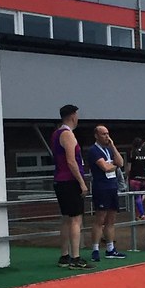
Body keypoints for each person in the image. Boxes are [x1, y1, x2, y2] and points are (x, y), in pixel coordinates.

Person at [51, 103, 91, 269]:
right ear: (73, 115)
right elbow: (71, 161)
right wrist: (82, 183)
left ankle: (65, 255)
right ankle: (75, 257)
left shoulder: (56, 133)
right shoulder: (67, 134)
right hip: (69, 181)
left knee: (67, 219)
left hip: (60, 180)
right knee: (75, 219)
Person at [87, 125, 126, 261]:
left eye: (108, 133)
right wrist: (113, 166)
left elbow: (120, 162)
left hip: (112, 187)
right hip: (101, 187)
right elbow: (105, 167)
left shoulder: (109, 149)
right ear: (96, 135)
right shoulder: (93, 150)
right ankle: (95, 249)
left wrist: (113, 146)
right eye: (103, 134)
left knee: (111, 219)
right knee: (100, 219)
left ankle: (110, 248)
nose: (106, 136)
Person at [128, 137, 145, 218]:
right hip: (143, 178)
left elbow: (129, 168)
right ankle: (138, 215)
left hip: (134, 178)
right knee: (141, 196)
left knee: (137, 198)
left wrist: (128, 175)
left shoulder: (132, 153)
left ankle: (141, 213)